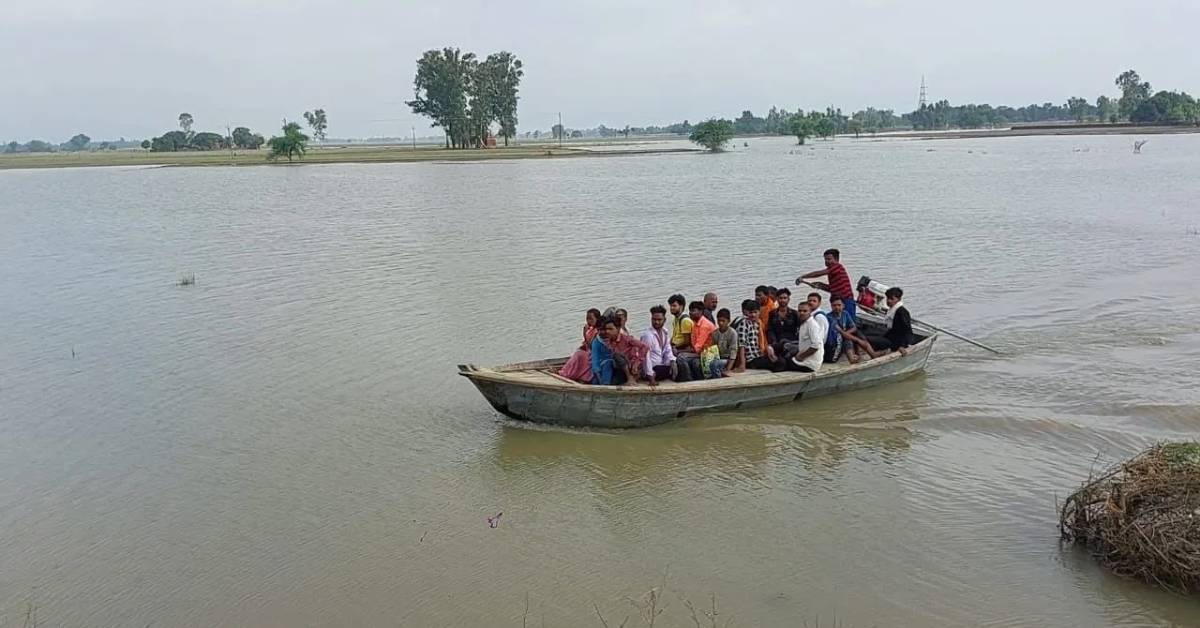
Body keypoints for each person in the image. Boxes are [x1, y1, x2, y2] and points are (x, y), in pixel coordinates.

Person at [795, 248, 857, 322]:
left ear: (836, 260)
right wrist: (821, 285)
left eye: (829, 259)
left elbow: (819, 273)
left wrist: (803, 276)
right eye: (825, 259)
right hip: (837, 301)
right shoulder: (832, 271)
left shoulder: (837, 267)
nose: (826, 262)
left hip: (846, 300)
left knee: (849, 322)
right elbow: (832, 289)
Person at [864, 287, 915, 355]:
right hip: (891, 337)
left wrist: (902, 346)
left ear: (899, 299)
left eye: (892, 299)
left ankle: (876, 353)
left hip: (896, 342)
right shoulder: (892, 310)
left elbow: (907, 330)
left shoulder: (902, 312)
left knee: (867, 338)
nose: (888, 301)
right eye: (887, 298)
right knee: (866, 333)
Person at [640, 305, 682, 385]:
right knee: (680, 368)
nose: (656, 322)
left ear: (664, 320)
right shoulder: (648, 336)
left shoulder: (665, 332)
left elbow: (668, 350)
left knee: (679, 364)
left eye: (659, 320)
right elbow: (646, 357)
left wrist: (672, 361)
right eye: (654, 319)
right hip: (653, 370)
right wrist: (651, 377)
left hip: (662, 365)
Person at [558, 308, 602, 382]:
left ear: (597, 319)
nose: (588, 321)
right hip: (589, 351)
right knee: (579, 352)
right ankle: (566, 372)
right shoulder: (591, 329)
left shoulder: (598, 331)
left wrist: (584, 333)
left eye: (591, 319)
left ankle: (571, 374)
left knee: (579, 354)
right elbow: (586, 343)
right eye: (587, 319)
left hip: (595, 353)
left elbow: (592, 346)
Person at [590, 317, 637, 386]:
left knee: (608, 363)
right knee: (595, 382)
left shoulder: (614, 337)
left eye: (604, 329)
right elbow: (595, 361)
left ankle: (607, 384)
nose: (603, 332)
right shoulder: (596, 342)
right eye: (599, 329)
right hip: (603, 368)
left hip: (619, 366)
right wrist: (598, 375)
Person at [676, 300, 715, 380]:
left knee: (681, 357)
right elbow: (693, 344)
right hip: (700, 352)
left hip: (707, 353)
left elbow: (697, 348)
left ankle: (688, 380)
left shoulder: (705, 325)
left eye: (693, 311)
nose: (690, 313)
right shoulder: (695, 323)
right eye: (690, 311)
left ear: (700, 311)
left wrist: (679, 351)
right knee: (693, 362)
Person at [826, 295, 870, 364]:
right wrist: (857, 340)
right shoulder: (829, 317)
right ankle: (852, 359)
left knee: (858, 334)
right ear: (831, 306)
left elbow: (854, 327)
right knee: (848, 340)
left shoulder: (845, 313)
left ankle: (871, 354)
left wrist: (847, 333)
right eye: (834, 305)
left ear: (843, 305)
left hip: (844, 335)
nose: (837, 307)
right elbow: (840, 331)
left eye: (839, 305)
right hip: (836, 341)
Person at [733, 299, 773, 371]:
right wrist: (742, 364)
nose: (753, 315)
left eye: (755, 312)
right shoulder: (744, 324)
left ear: (759, 312)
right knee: (779, 363)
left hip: (758, 355)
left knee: (779, 360)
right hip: (750, 359)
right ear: (747, 313)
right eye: (751, 313)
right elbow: (741, 345)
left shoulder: (757, 323)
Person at [766, 287, 799, 368]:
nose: (783, 300)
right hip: (777, 341)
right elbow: (770, 329)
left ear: (788, 299)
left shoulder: (795, 314)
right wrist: (773, 341)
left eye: (785, 298)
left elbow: (799, 329)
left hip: (791, 342)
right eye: (780, 298)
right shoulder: (772, 313)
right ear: (777, 299)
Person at [790, 301, 825, 373]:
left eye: (805, 311)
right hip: (805, 360)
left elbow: (816, 345)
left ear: (810, 312)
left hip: (809, 364)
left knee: (782, 363)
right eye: (800, 311)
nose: (802, 313)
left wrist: (800, 357)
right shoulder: (804, 323)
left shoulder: (812, 325)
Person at [708, 308, 739, 378]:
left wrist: (728, 369)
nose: (720, 323)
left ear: (728, 321)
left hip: (729, 359)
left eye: (723, 321)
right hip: (719, 357)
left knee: (714, 364)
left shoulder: (732, 333)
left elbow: (733, 352)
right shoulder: (715, 334)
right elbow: (713, 348)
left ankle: (718, 380)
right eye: (719, 321)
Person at [754, 285, 776, 356]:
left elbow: (765, 325)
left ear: (766, 296)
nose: (757, 297)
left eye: (759, 295)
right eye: (756, 295)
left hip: (766, 331)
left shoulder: (770, 307)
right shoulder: (756, 304)